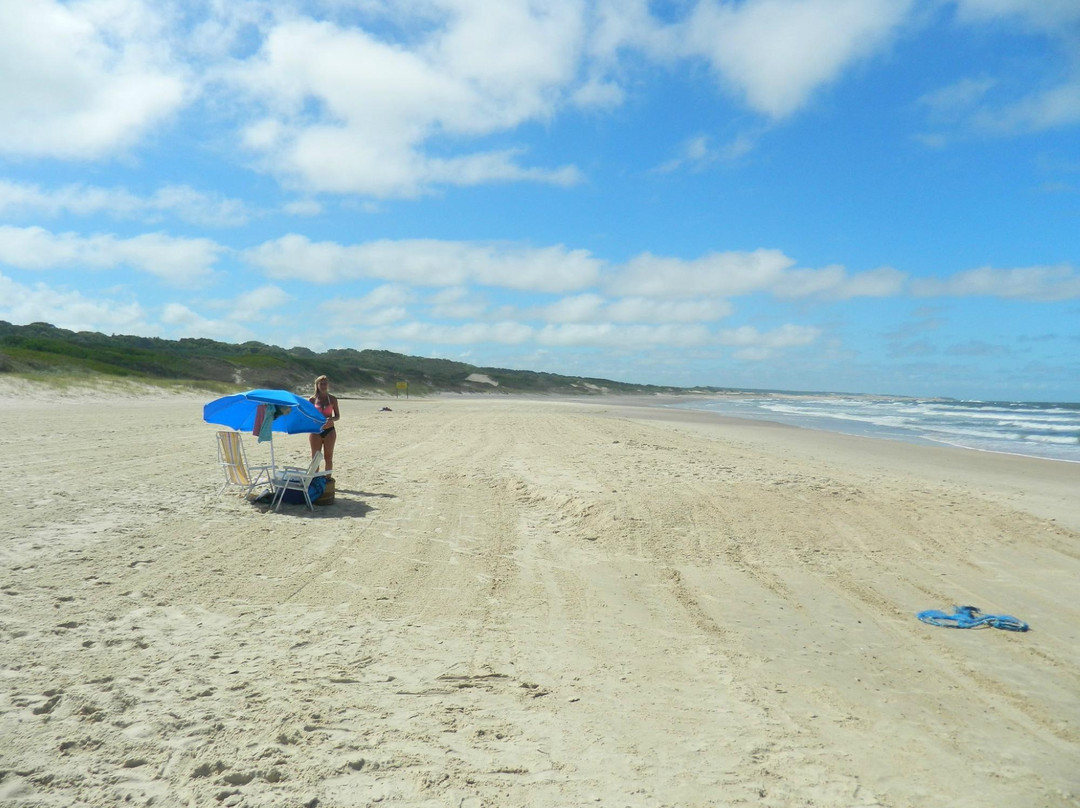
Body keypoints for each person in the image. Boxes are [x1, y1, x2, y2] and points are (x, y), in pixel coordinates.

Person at [308, 375, 340, 478]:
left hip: (329, 431)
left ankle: (328, 479)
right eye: (321, 384)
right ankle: (315, 479)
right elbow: (308, 415)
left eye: (325, 383)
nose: (323, 386)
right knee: (315, 458)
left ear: (328, 385)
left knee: (328, 457)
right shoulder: (312, 400)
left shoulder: (332, 399)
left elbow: (337, 416)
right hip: (316, 431)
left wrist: (332, 419)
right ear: (317, 385)